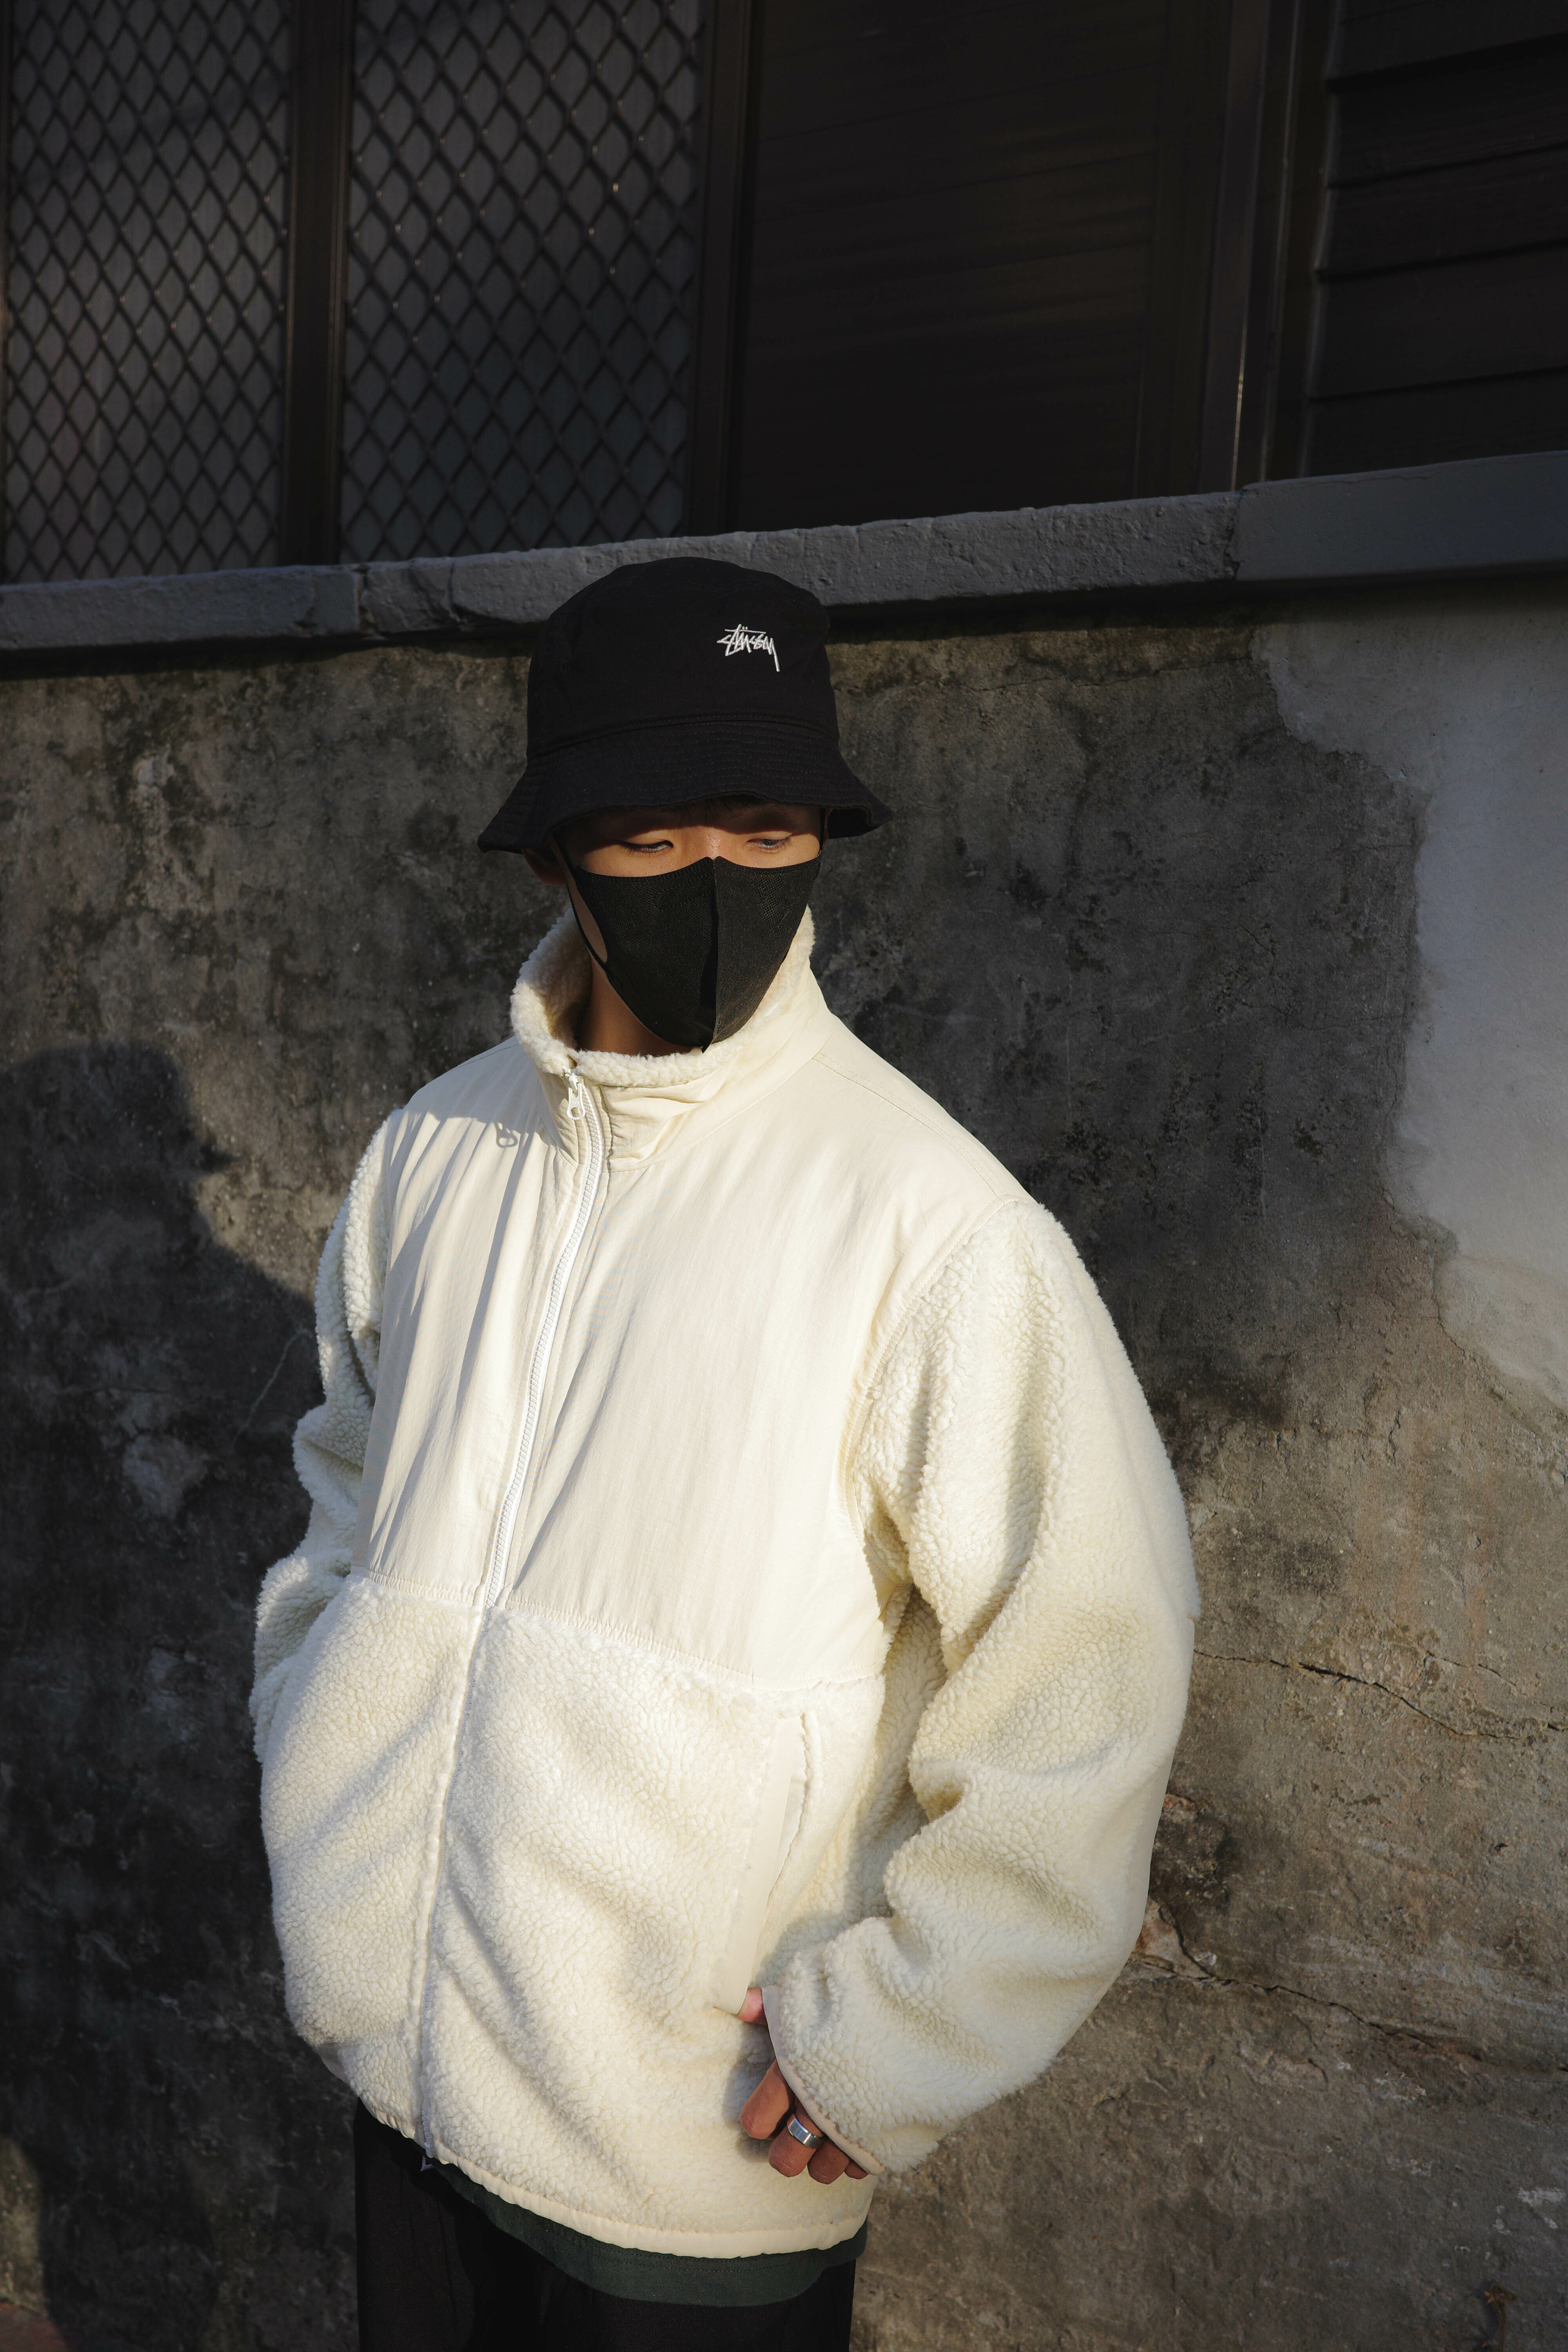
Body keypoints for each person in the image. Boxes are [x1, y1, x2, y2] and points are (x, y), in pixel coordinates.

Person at [249, 556, 1198, 2352]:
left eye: (767, 831)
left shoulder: (934, 1225)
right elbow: (345, 1492)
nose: (717, 878)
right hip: (403, 2061)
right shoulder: (433, 1156)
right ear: (555, 858)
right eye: (652, 836)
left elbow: (1086, 1666)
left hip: (689, 2147)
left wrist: (895, 2040)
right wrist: (325, 1762)